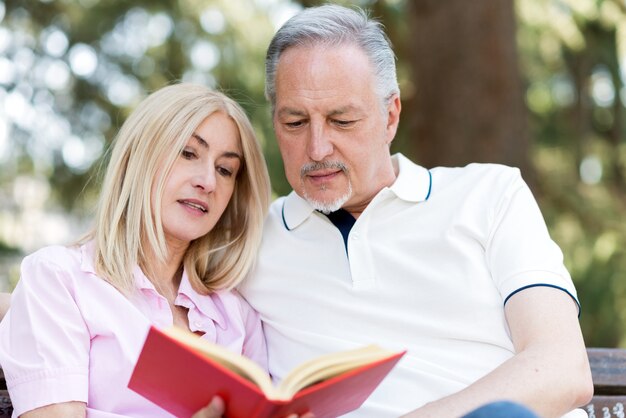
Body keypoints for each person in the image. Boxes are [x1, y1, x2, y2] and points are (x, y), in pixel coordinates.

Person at [237, 4, 594, 418]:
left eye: (342, 120)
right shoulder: (250, 242)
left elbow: (563, 368)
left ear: (390, 117)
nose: (317, 149)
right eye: (295, 122)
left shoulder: (491, 195)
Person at [0, 83, 272, 417]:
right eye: (188, 153)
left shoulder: (237, 316)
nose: (208, 182)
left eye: (225, 169)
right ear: (139, 158)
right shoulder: (59, 280)